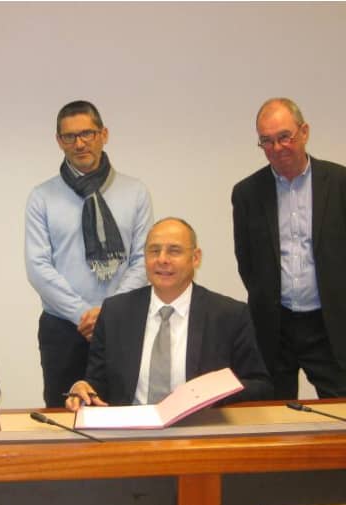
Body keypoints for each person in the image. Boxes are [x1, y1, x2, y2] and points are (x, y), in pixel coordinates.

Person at [25, 100, 154, 407]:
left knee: (122, 412)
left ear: (103, 134)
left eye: (87, 133)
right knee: (64, 417)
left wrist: (109, 314)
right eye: (69, 136)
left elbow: (142, 260)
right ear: (59, 141)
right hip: (63, 328)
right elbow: (38, 266)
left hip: (122, 325)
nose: (79, 143)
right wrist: (82, 314)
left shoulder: (135, 192)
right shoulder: (42, 197)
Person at [66, 218, 272, 410]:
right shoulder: (115, 312)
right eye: (154, 251)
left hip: (200, 427)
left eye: (174, 251)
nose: (162, 259)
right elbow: (97, 383)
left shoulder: (229, 315)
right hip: (130, 429)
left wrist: (213, 393)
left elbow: (260, 386)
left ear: (195, 258)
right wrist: (82, 388)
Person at [232, 97, 346, 399]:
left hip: (331, 323)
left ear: (304, 132)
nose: (277, 147)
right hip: (274, 326)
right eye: (266, 141)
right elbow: (246, 261)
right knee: (273, 412)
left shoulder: (339, 183)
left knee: (340, 408)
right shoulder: (246, 193)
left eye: (285, 137)